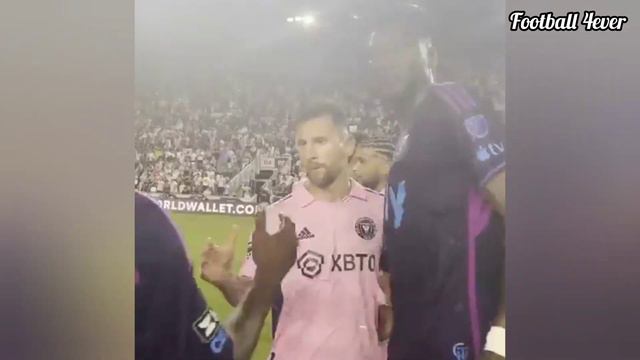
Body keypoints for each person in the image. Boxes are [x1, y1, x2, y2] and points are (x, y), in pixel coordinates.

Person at [365, 3, 506, 360]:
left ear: (431, 54)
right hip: (413, 334)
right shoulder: (404, 140)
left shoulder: (455, 104)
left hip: (465, 333)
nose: (384, 61)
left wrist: (502, 338)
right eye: (376, 53)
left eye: (398, 48)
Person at [200, 102, 389, 360]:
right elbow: (251, 294)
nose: (310, 153)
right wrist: (224, 279)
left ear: (348, 145)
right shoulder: (276, 217)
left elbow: (395, 286)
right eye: (302, 144)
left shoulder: (380, 210)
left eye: (320, 141)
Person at [135, 191, 298, 360]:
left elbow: (211, 350)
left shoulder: (148, 221)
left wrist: (231, 280)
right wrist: (266, 280)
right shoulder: (150, 222)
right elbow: (215, 353)